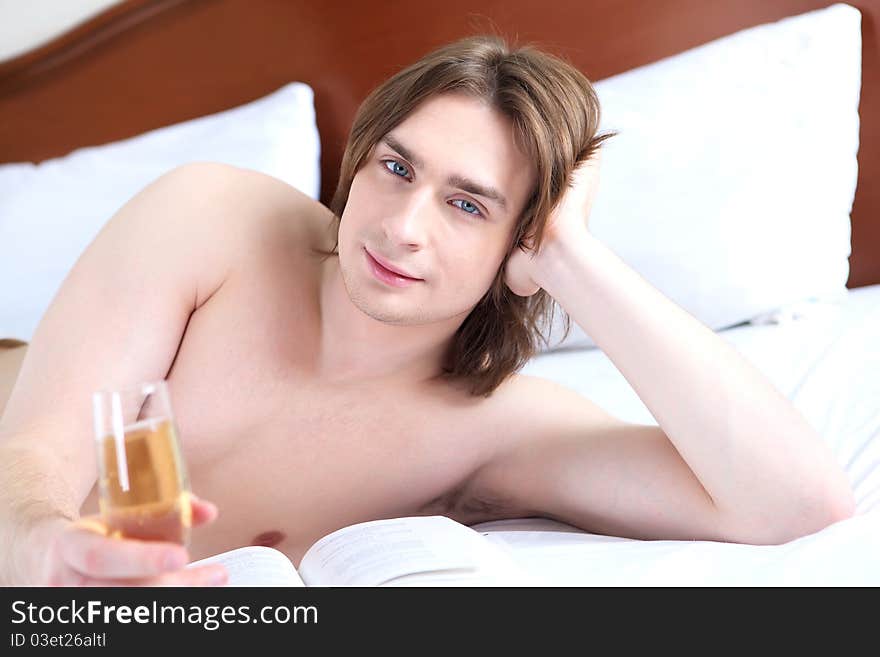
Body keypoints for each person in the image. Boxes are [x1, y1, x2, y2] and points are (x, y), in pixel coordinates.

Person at [0, 35, 855, 586]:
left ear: (519, 241)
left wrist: (571, 256)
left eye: (470, 205)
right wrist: (45, 546)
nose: (401, 228)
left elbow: (797, 505)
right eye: (397, 168)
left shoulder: (490, 427)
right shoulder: (209, 217)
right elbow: (36, 450)